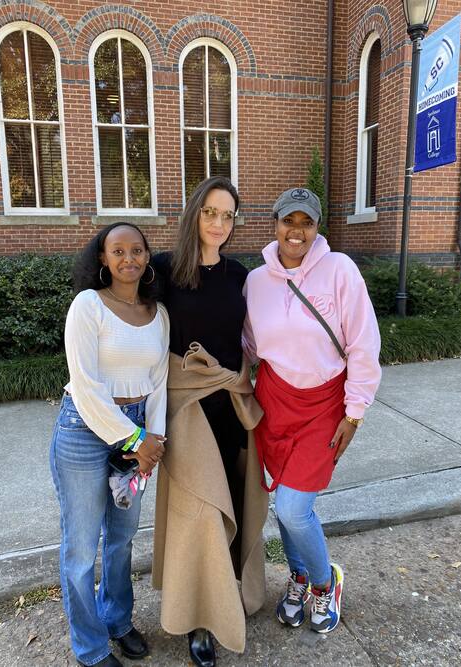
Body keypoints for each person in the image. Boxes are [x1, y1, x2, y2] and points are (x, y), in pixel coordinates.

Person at [243, 187, 381, 634]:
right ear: (275, 224)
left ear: (318, 228)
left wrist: (354, 411)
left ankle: (325, 582)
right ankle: (298, 577)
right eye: (289, 221)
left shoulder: (340, 270)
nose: (296, 231)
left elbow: (364, 345)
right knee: (285, 501)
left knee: (293, 508)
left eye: (306, 222)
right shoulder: (256, 282)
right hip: (274, 404)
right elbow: (247, 346)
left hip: (324, 405)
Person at [151, 176, 268, 667]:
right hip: (186, 411)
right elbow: (117, 304)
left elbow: (260, 337)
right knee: (199, 513)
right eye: (211, 212)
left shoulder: (240, 274)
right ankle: (199, 618)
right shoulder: (162, 270)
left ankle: (228, 592)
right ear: (194, 212)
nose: (219, 223)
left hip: (231, 406)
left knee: (233, 504)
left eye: (228, 215)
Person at [49, 222, 170, 667]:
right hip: (84, 431)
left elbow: (159, 382)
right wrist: (135, 439)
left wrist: (154, 439)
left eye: (137, 250)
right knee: (81, 550)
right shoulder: (88, 306)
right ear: (103, 257)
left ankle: (118, 621)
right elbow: (85, 386)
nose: (128, 258)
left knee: (121, 539)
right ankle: (90, 647)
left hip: (137, 432)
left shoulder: (159, 314)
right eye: (117, 251)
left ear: (147, 256)